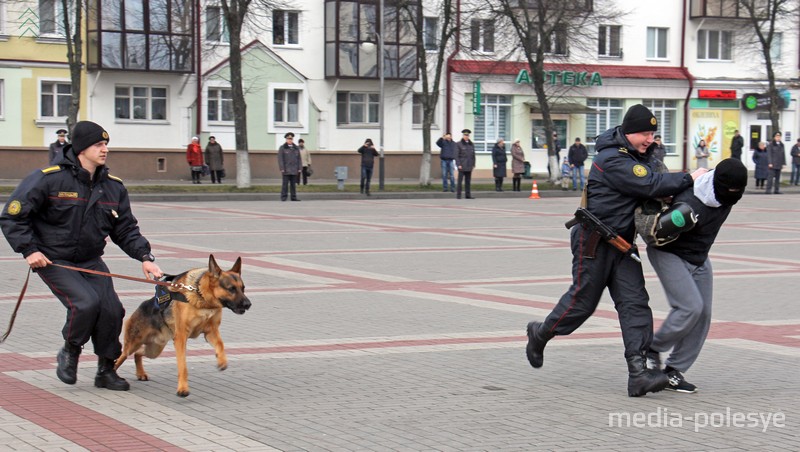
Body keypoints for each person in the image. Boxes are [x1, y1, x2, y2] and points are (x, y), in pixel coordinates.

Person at [524, 104, 707, 397]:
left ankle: (639, 375)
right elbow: (649, 184)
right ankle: (541, 333)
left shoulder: (638, 156)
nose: (650, 139)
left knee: (635, 304)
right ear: (628, 132)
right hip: (594, 240)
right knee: (582, 303)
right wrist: (690, 177)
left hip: (622, 243)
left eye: (653, 134)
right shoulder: (613, 159)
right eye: (644, 134)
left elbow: (652, 185)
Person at [0, 121, 164, 391]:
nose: (105, 150)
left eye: (106, 144)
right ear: (81, 149)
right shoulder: (48, 178)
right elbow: (13, 217)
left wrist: (145, 257)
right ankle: (70, 351)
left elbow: (125, 229)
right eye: (98, 145)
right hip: (54, 259)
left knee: (112, 310)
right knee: (86, 303)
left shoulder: (113, 187)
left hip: (89, 260)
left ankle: (105, 369)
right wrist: (30, 251)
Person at [645, 158, 748, 393]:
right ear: (719, 184)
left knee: (703, 315)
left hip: (699, 256)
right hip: (669, 253)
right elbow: (655, 230)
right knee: (690, 307)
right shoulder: (689, 198)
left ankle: (674, 371)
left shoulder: (728, 191)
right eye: (730, 191)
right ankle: (651, 349)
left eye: (738, 192)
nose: (733, 197)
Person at [278, 132, 302, 201]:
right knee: (285, 184)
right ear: (286, 139)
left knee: (293, 185)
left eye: (291, 139)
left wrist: (299, 168)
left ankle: (293, 197)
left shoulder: (296, 148)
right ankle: (283, 197)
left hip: (294, 169)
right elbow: (280, 159)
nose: (290, 140)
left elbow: (299, 159)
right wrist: (282, 168)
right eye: (288, 139)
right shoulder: (282, 148)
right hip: (286, 169)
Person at [455, 129, 476, 199]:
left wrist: (473, 164)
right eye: (465, 135)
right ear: (463, 135)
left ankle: (468, 195)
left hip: (469, 165)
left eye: (467, 135)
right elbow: (456, 155)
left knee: (468, 181)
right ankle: (458, 195)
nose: (466, 136)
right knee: (460, 181)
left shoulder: (471, 144)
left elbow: (473, 155)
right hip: (462, 165)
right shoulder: (459, 144)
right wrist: (458, 165)